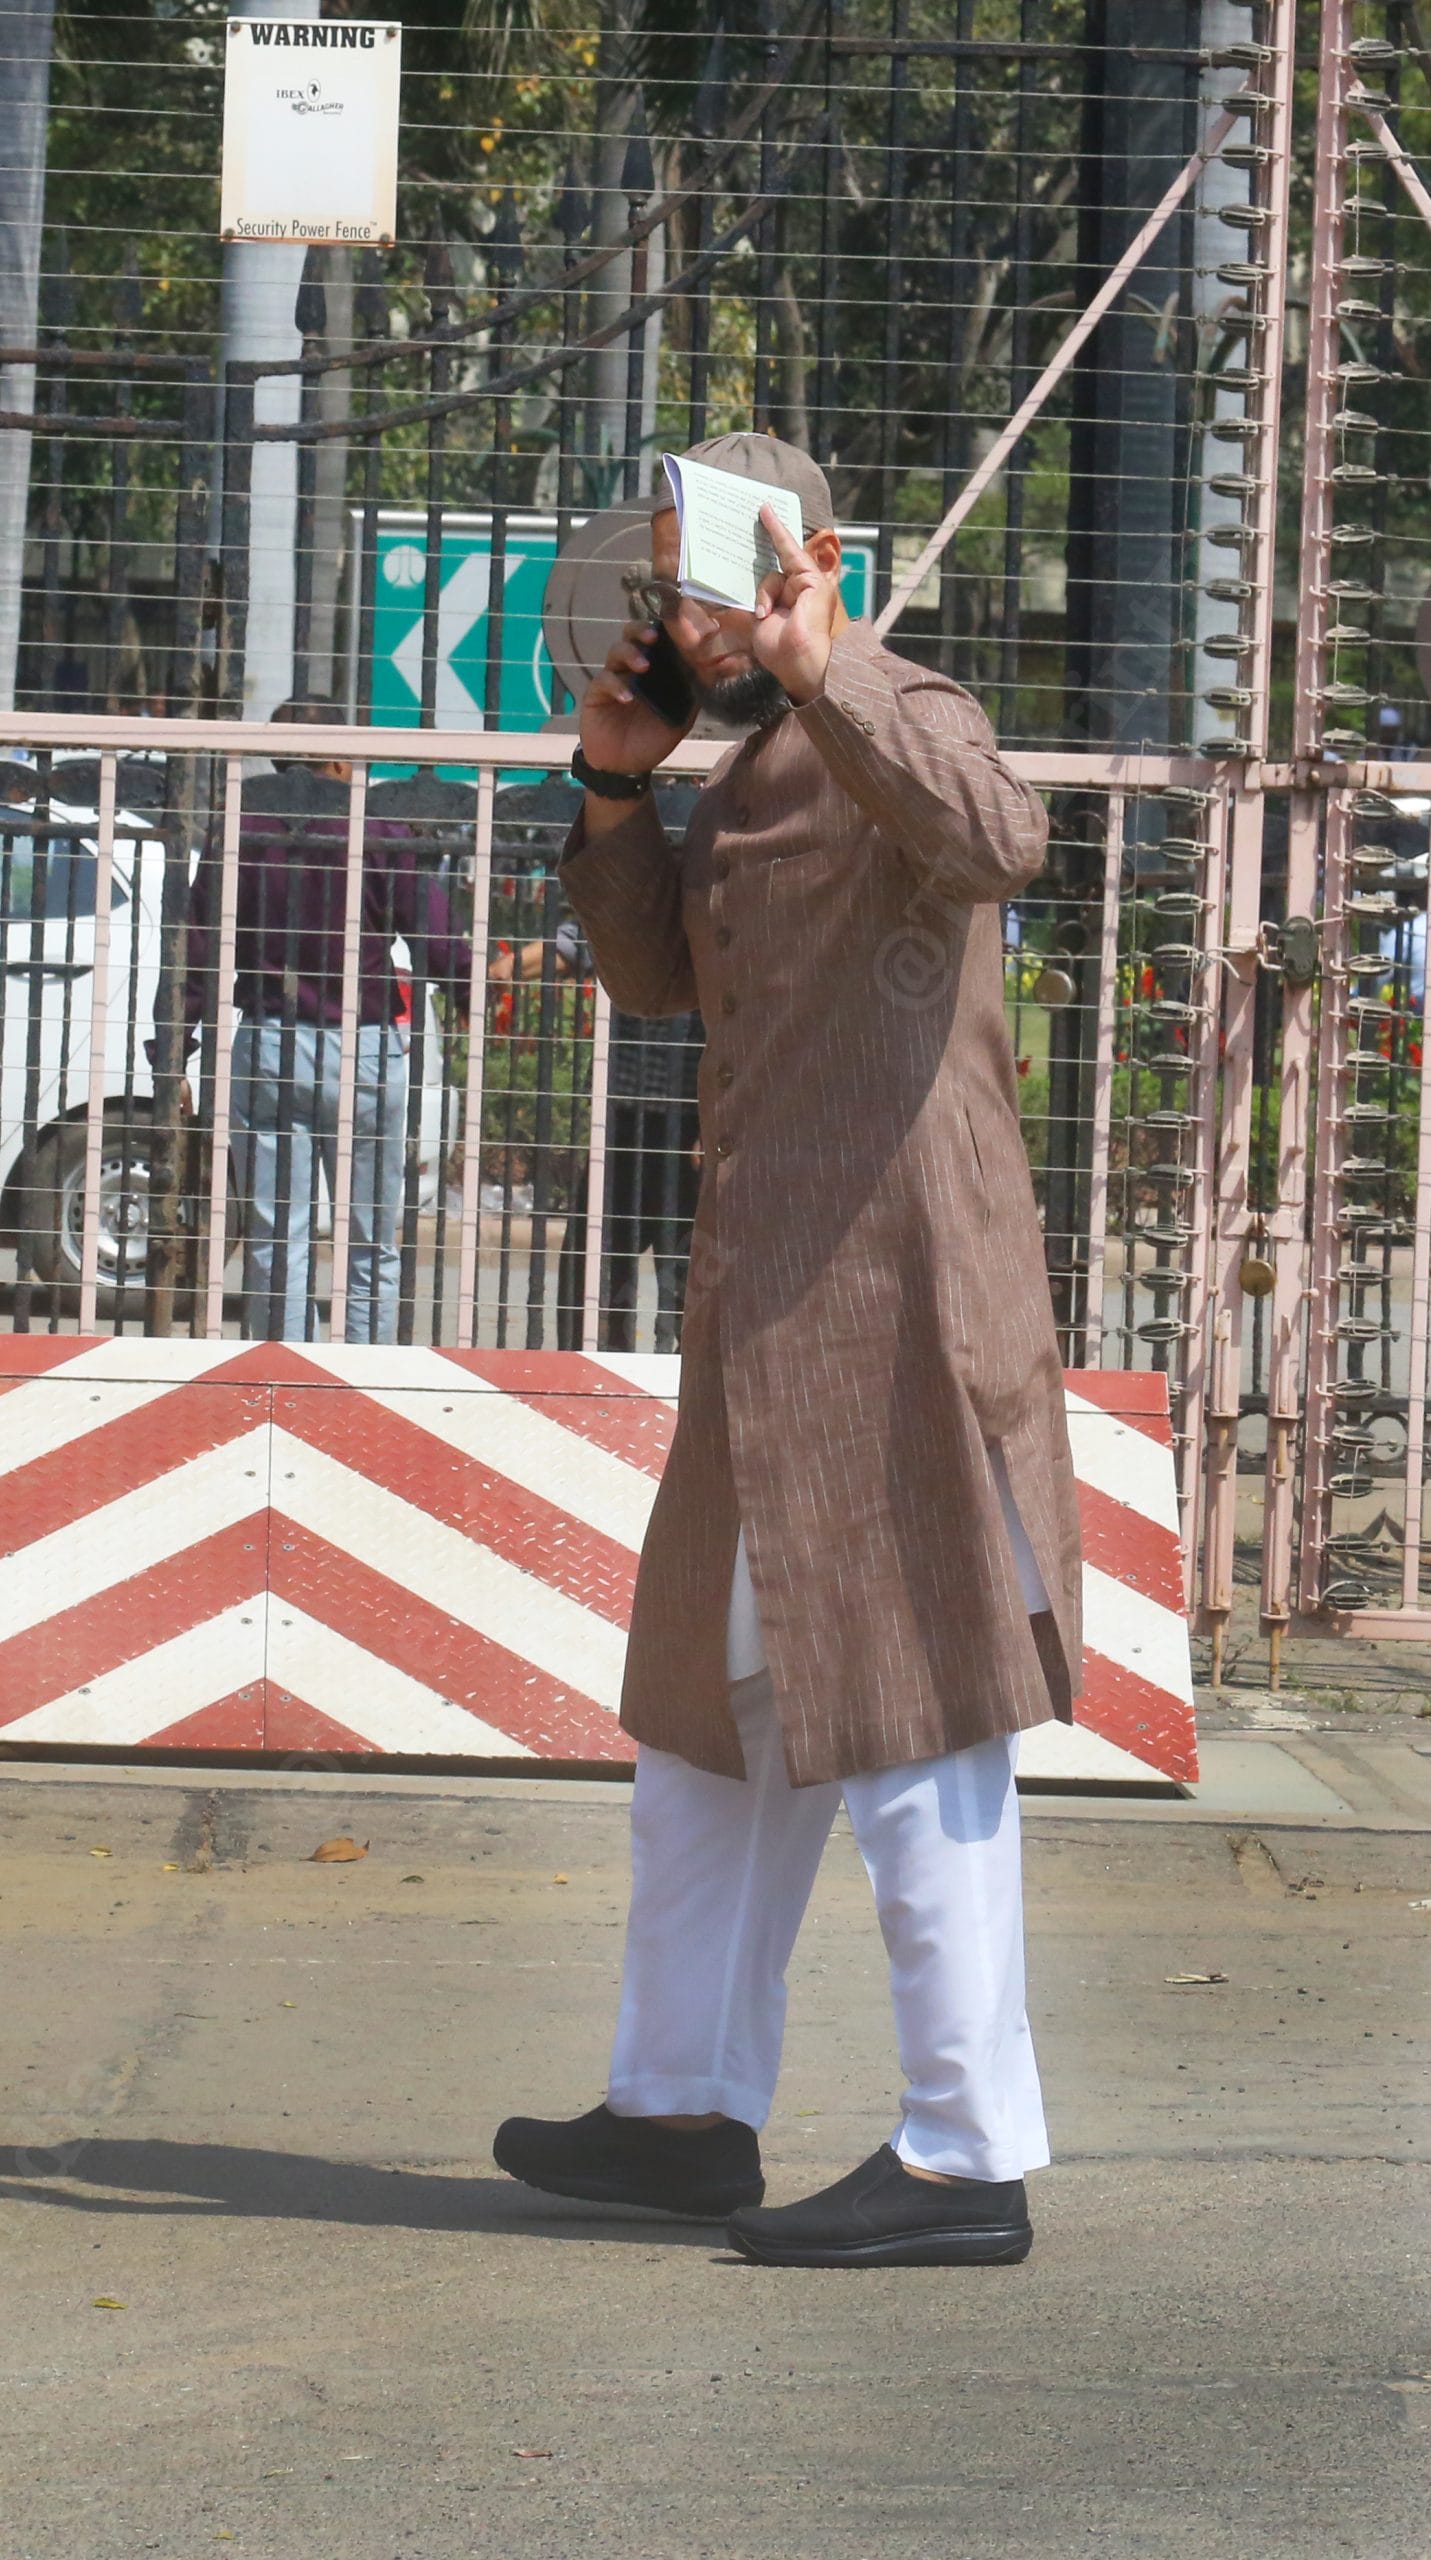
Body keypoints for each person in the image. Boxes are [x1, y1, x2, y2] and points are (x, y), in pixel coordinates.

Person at [492, 432, 1083, 2269]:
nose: (683, 612)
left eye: (709, 574)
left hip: (900, 1311)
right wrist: (609, 796)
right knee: (714, 1730)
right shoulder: (740, 762)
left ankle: (964, 2156)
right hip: (770, 1328)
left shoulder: (891, 704)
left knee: (917, 1729)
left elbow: (1002, 839)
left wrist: (826, 674)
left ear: (806, 557)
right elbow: (668, 980)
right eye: (667, 581)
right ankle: (678, 2113)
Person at [174, 698, 471, 1342]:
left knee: (278, 1240)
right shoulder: (378, 828)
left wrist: (173, 1049)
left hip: (269, 1042)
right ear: (339, 757)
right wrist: (473, 992)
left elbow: (198, 948)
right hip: (362, 1047)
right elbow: (435, 939)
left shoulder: (242, 828)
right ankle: (366, 1375)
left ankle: (286, 1378)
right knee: (371, 1241)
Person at [495, 917, 702, 1351]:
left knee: (695, 1284)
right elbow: (576, 943)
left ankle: (689, 1395)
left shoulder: (717, 898)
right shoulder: (637, 899)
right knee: (592, 1278)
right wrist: (502, 972)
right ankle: (597, 1391)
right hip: (625, 1119)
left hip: (696, 1126)